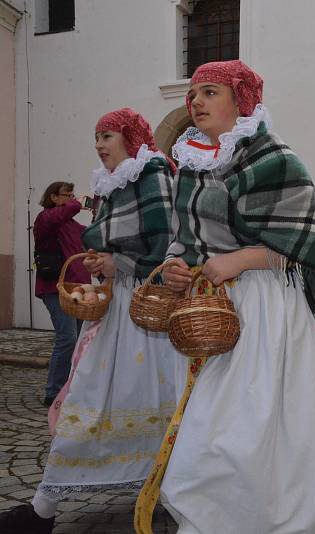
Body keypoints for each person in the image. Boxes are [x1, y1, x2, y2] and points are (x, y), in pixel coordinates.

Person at [149, 60, 315, 534]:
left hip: (263, 307)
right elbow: (184, 237)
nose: (197, 102)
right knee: (211, 423)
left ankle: (275, 513)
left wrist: (241, 260)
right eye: (194, 94)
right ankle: (217, 518)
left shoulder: (279, 161)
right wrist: (173, 266)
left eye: (210, 92)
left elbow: (302, 246)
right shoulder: (191, 162)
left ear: (242, 99)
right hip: (207, 309)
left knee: (257, 421)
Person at [0, 108, 177, 534]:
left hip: (145, 308)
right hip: (117, 307)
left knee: (120, 395)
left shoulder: (150, 173)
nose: (99, 144)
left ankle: (161, 489)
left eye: (108, 135)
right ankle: (48, 503)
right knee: (103, 395)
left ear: (130, 138)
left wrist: (122, 262)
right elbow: (109, 240)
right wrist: (103, 262)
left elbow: (169, 240)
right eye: (96, 135)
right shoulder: (111, 181)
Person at [32, 182, 91, 406]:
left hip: (77, 288)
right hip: (55, 288)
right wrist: (78, 203)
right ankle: (53, 390)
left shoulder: (71, 224)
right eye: (68, 195)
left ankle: (71, 387)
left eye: (73, 195)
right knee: (67, 338)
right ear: (54, 198)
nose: (72, 199)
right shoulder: (45, 218)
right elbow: (59, 216)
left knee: (78, 341)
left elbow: (89, 237)